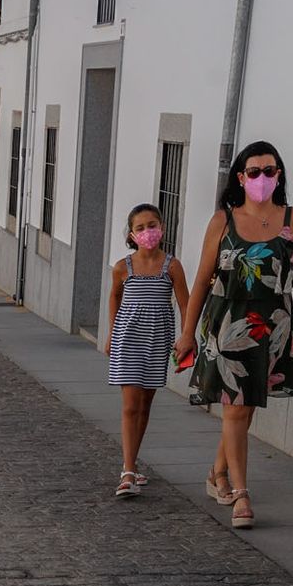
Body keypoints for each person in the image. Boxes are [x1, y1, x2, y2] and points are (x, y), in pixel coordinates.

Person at [177, 140, 293, 530]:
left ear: (279, 174)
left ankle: (217, 472)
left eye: (269, 171)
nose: (261, 178)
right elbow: (203, 280)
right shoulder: (223, 220)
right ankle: (240, 493)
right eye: (253, 172)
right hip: (229, 321)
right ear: (241, 177)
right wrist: (187, 332)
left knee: (247, 406)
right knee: (235, 407)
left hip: (275, 322)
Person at [106, 204, 189, 499]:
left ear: (162, 228)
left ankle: (133, 461)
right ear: (131, 234)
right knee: (130, 405)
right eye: (140, 228)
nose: (147, 232)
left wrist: (185, 338)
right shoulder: (122, 267)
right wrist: (112, 334)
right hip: (127, 341)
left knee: (144, 405)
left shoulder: (172, 266)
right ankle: (127, 471)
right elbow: (115, 298)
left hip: (157, 340)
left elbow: (184, 304)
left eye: (151, 225)